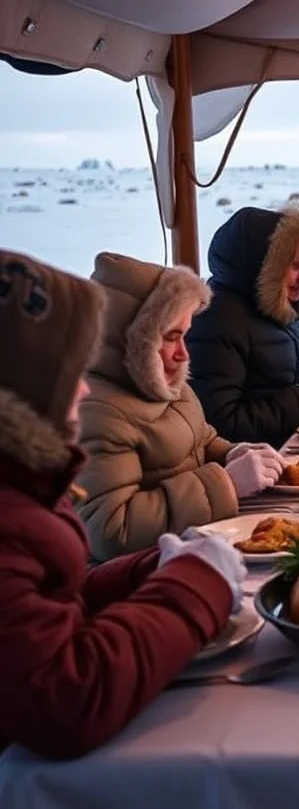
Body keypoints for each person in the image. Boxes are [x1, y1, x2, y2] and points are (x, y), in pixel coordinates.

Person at [0, 249, 246, 760]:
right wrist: (193, 584)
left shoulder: (23, 478)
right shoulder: (12, 512)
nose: (83, 384)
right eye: (68, 368)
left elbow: (49, 598)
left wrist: (149, 570)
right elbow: (65, 702)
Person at [76, 253, 285, 560]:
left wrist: (233, 452)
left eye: (184, 336)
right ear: (134, 341)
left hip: (199, 545)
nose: (184, 354)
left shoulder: (161, 380)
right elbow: (110, 531)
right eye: (172, 337)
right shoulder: (97, 411)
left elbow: (201, 438)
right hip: (147, 578)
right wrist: (226, 483)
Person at [187, 202, 299, 448]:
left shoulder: (270, 306)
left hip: (277, 452)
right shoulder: (216, 321)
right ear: (263, 267)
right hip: (247, 473)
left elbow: (280, 377)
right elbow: (223, 424)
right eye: (295, 265)